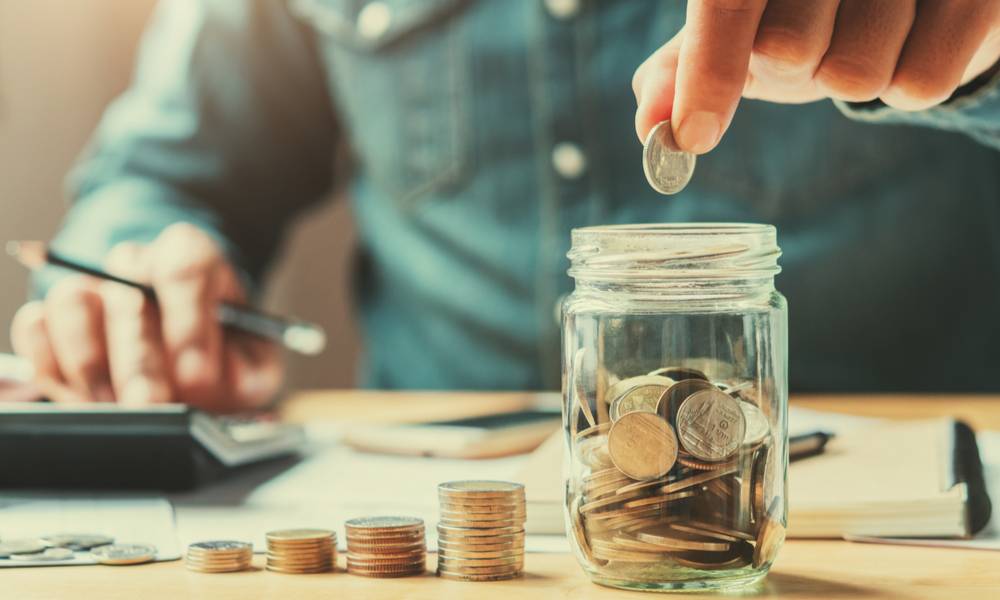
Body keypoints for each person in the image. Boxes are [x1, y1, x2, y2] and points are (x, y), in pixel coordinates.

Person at [10, 0, 1000, 412]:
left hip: (885, 510)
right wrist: (134, 261)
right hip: (436, 527)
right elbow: (166, 173)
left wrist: (979, 58)